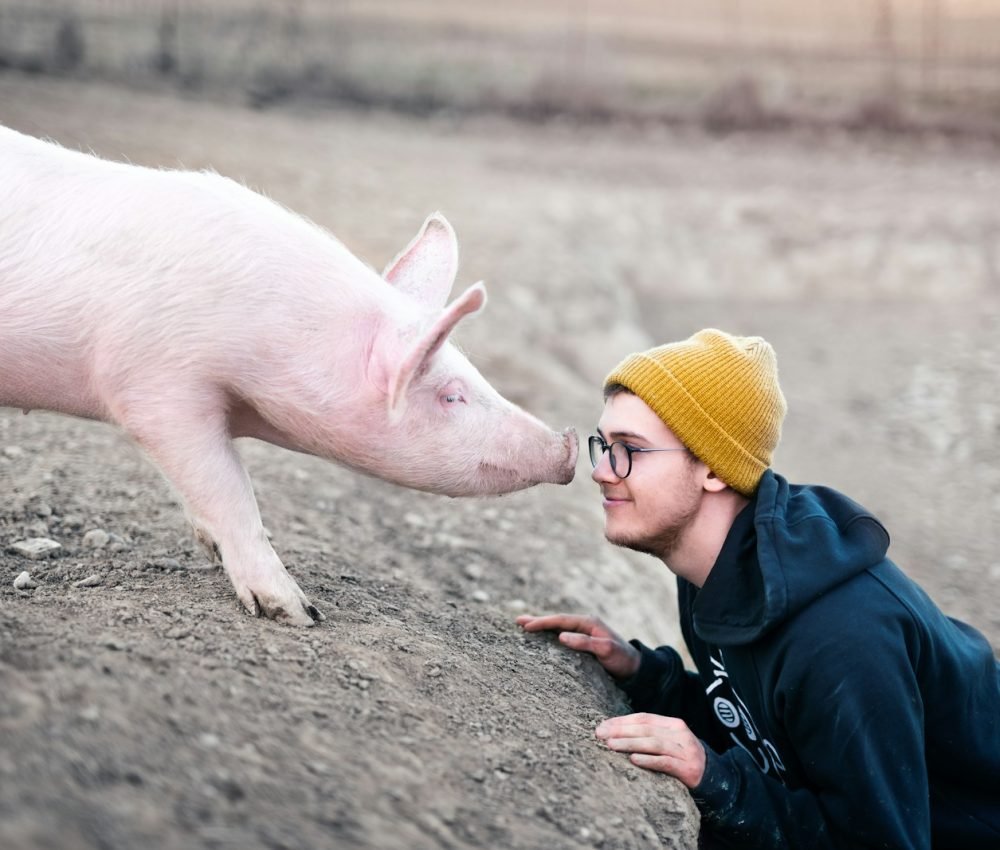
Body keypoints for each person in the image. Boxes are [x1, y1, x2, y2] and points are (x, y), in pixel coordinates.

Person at [517, 329, 1000, 849]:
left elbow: (881, 840)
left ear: (712, 468)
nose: (600, 470)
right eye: (604, 445)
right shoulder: (713, 570)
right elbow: (762, 729)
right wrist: (646, 675)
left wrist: (719, 781)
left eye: (629, 449)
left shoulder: (841, 641)